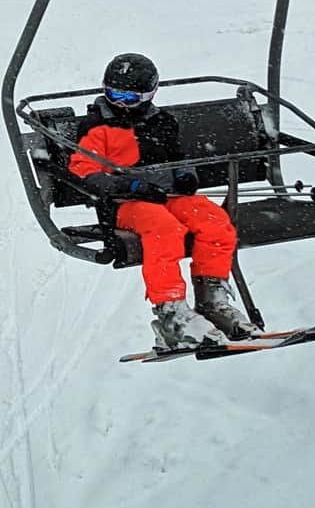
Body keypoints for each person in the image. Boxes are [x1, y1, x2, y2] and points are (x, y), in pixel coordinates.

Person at [68, 53, 252, 350]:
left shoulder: (161, 122)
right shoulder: (97, 127)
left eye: (130, 97)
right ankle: (171, 313)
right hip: (124, 205)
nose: (122, 104)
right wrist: (129, 184)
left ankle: (212, 300)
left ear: (149, 94)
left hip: (167, 196)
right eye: (114, 95)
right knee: (165, 230)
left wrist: (185, 176)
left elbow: (179, 158)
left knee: (214, 221)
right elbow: (84, 170)